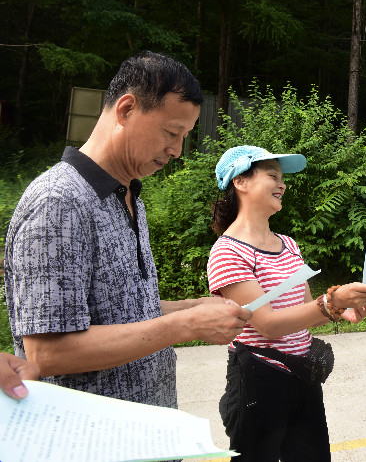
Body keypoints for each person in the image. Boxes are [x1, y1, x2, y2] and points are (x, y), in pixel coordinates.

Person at [4, 51, 252, 408]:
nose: (178, 150)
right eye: (172, 132)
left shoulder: (128, 196)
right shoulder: (59, 201)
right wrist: (186, 326)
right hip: (91, 442)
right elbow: (47, 352)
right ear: (126, 109)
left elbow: (123, 312)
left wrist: (189, 309)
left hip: (148, 438)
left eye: (185, 136)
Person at [207, 144, 366, 462]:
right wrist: (332, 301)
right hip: (258, 378)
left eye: (282, 178)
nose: (283, 184)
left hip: (302, 374)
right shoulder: (228, 251)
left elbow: (305, 309)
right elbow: (268, 325)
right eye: (272, 175)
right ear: (240, 181)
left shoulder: (288, 244)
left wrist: (345, 310)